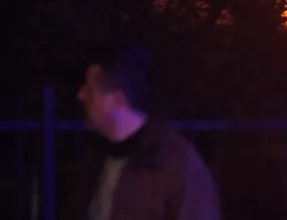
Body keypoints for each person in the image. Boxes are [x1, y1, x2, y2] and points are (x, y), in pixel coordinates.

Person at [66, 45, 220, 220]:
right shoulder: (95, 157)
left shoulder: (180, 167)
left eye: (90, 90)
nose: (81, 95)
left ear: (117, 101)